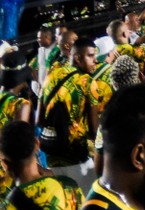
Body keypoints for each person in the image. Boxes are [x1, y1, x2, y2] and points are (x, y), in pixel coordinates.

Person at [37, 37, 99, 189]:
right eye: (90, 56)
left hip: (52, 157)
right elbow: (94, 131)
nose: (95, 61)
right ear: (78, 58)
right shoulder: (88, 83)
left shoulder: (51, 76)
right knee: (87, 207)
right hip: (78, 159)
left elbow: (39, 120)